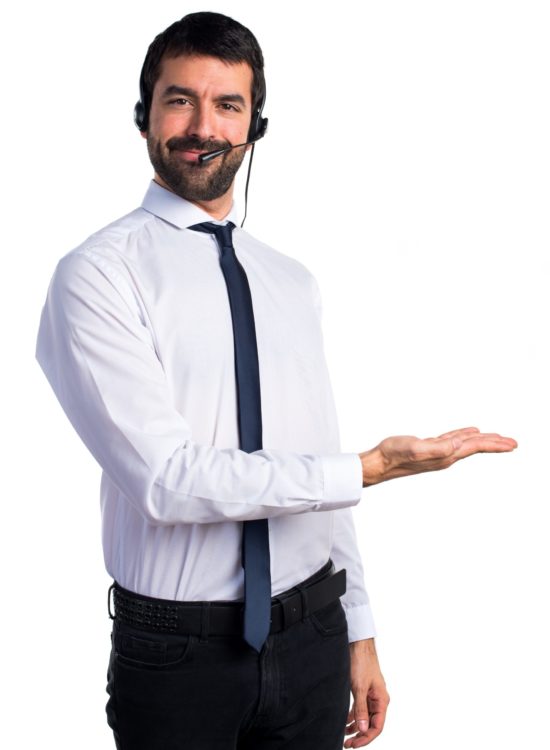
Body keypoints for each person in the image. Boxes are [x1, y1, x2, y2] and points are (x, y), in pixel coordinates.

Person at [35, 11, 517, 750]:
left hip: (313, 634)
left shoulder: (291, 281)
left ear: (255, 126)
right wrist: (371, 467)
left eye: (228, 105)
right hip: (178, 657)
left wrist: (358, 628)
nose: (203, 125)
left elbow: (313, 467)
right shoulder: (98, 276)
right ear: (143, 117)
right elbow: (167, 480)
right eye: (179, 100)